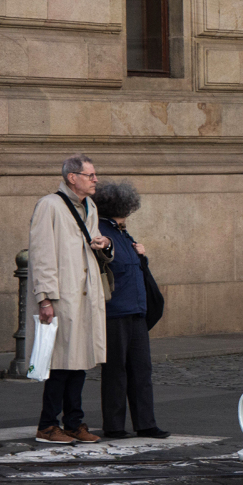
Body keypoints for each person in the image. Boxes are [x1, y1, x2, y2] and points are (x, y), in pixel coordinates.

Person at [28, 154, 112, 444]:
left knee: (79, 362)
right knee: (60, 364)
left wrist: (105, 243)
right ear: (72, 177)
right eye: (90, 175)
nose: (95, 179)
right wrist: (45, 298)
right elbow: (42, 255)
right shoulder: (48, 205)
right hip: (62, 296)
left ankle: (74, 422)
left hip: (85, 294)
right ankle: (47, 424)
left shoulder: (90, 206)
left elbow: (94, 243)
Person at [94, 180, 169, 439]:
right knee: (116, 370)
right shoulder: (103, 232)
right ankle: (114, 425)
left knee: (141, 369)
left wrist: (142, 255)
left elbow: (135, 266)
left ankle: (145, 423)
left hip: (135, 309)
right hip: (115, 311)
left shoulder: (122, 232)